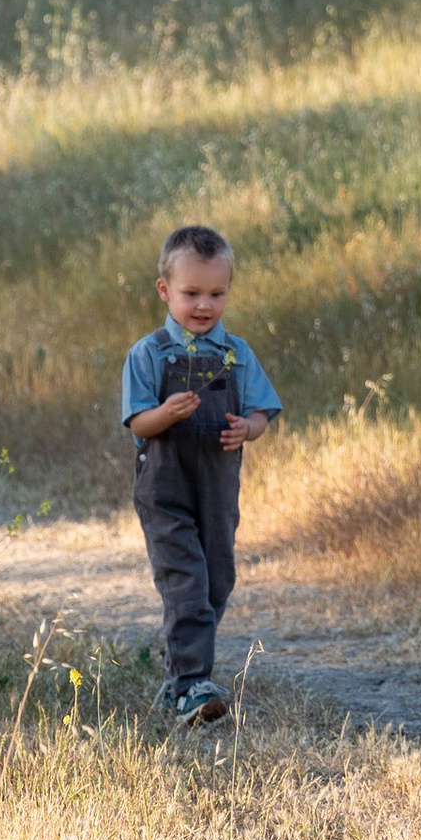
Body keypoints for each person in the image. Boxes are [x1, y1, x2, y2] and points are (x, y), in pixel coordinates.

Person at [120, 221, 281, 723]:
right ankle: (193, 685)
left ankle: (177, 683)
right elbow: (138, 423)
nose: (204, 306)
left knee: (215, 581)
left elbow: (262, 412)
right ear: (165, 290)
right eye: (191, 293)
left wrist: (248, 430)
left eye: (216, 293)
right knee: (186, 582)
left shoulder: (236, 355)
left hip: (216, 486)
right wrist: (165, 413)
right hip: (165, 486)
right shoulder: (149, 354)